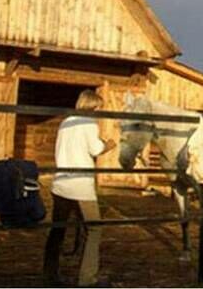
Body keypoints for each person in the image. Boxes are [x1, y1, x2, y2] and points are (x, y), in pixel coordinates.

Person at [43, 90, 115, 287]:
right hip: (81, 185)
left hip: (61, 183)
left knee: (57, 230)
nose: (100, 111)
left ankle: (49, 274)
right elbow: (95, 150)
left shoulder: (66, 122)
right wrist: (108, 144)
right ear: (93, 106)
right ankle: (87, 278)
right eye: (99, 107)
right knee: (94, 229)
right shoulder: (89, 124)